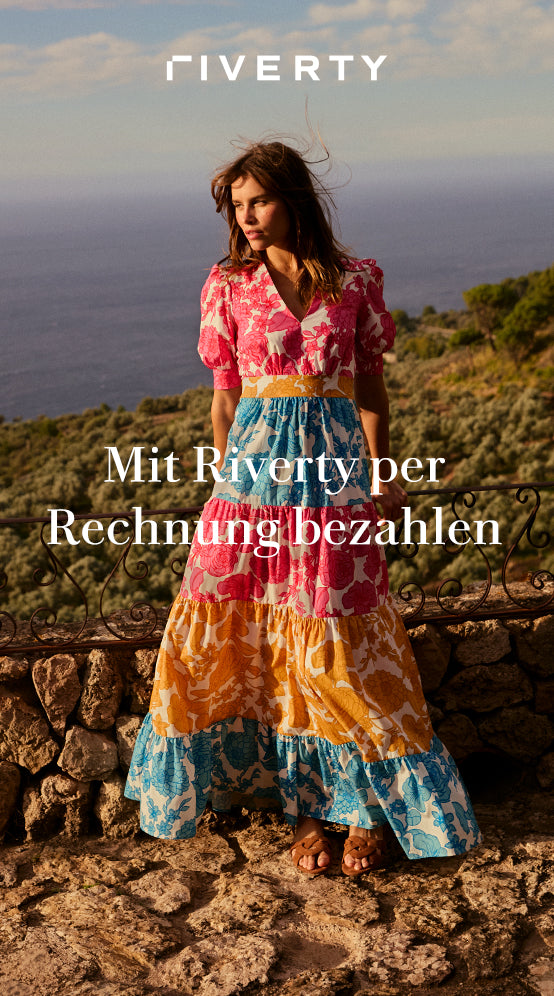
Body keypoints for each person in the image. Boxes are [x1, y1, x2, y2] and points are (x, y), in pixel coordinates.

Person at [125, 139, 481, 876]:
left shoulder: (355, 281)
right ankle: (308, 810)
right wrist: (228, 483)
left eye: (258, 200)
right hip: (252, 485)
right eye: (237, 206)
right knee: (250, 636)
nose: (247, 217)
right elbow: (225, 398)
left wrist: (384, 475)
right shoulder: (225, 285)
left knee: (342, 647)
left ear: (293, 199)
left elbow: (371, 389)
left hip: (334, 480)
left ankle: (367, 812)